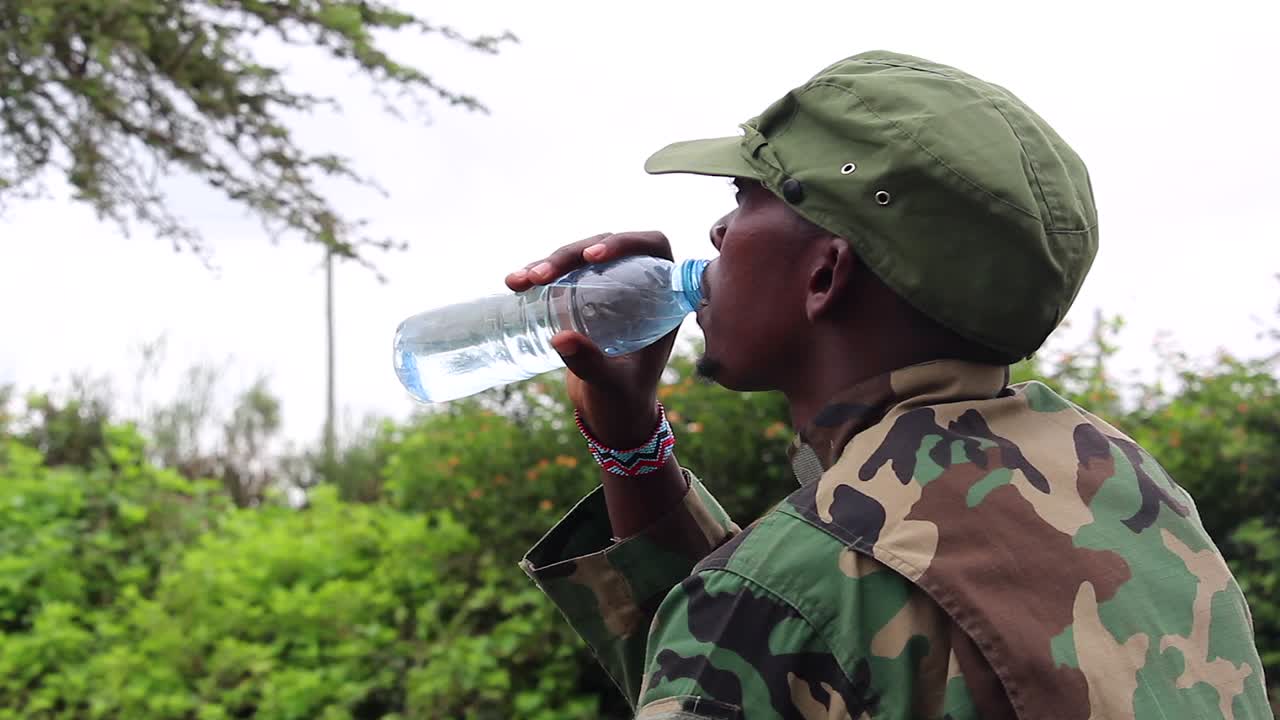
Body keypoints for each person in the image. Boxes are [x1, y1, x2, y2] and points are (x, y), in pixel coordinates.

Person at [508, 51, 1272, 720]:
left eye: (746, 198)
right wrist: (631, 440)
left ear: (825, 274)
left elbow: (764, 629)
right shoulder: (1129, 491)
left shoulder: (782, 592)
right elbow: (772, 650)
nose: (717, 233)